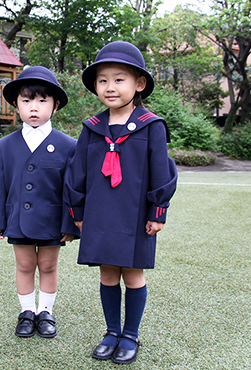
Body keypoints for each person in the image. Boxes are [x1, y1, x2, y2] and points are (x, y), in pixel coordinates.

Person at [65, 41, 177, 364]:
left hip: (136, 217)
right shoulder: (92, 129)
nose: (109, 87)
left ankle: (130, 334)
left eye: (119, 79)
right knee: (108, 275)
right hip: (100, 216)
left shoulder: (152, 126)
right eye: (103, 80)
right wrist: (79, 214)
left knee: (133, 275)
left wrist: (159, 212)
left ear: (138, 84)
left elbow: (162, 172)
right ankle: (112, 331)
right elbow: (77, 175)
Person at [0, 66, 80, 338]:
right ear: (16, 105)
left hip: (53, 220)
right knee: (25, 266)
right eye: (27, 101)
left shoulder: (68, 145)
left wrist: (70, 224)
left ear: (56, 104)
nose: (34, 108)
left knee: (48, 266)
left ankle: (45, 312)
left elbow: (71, 189)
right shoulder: (6, 145)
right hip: (18, 219)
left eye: (42, 100)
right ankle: (27, 312)